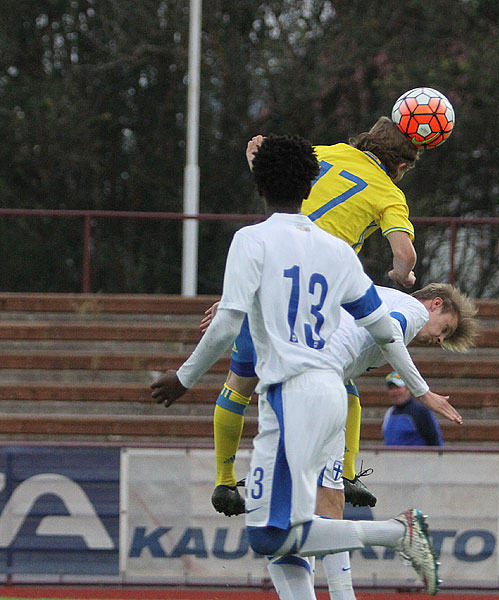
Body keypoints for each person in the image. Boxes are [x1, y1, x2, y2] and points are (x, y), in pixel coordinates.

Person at [150, 135, 442, 598]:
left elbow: (227, 322)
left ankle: (397, 532)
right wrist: (420, 387)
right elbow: (384, 328)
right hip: (330, 394)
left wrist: (184, 377)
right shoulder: (337, 251)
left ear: (260, 187)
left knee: (269, 532)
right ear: (312, 185)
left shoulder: (251, 240)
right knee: (287, 533)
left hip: (292, 398)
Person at [207, 282, 477, 599]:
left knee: (277, 527)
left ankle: (393, 539)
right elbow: (387, 332)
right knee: (277, 530)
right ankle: (386, 547)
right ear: (435, 303)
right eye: (446, 328)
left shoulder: (370, 293)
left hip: (303, 388)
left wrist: (238, 301)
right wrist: (423, 392)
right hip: (299, 388)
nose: (440, 339)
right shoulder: (411, 308)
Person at [220, 118, 424, 511]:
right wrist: (403, 275)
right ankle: (346, 476)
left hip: (269, 277)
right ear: (401, 167)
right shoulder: (388, 194)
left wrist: (255, 156)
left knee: (239, 385)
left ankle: (224, 479)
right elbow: (404, 256)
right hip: (321, 291)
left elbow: (268, 162)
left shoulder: (325, 153)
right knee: (339, 379)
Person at [382, 372, 444, 446]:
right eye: (391, 388)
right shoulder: (389, 413)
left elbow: (435, 441)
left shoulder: (421, 411)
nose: (395, 392)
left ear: (408, 388)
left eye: (398, 387)